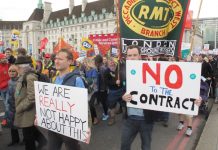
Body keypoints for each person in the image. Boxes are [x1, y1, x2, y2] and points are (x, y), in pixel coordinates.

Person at [47, 49, 91, 150]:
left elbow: (84, 105)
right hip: (55, 125)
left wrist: (87, 127)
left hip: (70, 127)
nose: (56, 61)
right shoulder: (53, 78)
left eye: (60, 59)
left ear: (70, 61)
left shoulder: (77, 79)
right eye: (56, 58)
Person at [121, 45, 157, 150]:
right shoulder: (124, 72)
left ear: (140, 56)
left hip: (146, 118)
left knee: (146, 146)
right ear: (126, 57)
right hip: (130, 118)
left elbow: (170, 92)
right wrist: (123, 97)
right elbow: (121, 92)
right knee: (124, 146)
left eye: (135, 55)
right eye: (129, 55)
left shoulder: (152, 70)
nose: (132, 58)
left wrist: (193, 101)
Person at [14, 56, 47, 150]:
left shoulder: (29, 77)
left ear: (21, 67)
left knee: (28, 137)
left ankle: (42, 143)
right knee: (31, 132)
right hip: (26, 111)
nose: (15, 68)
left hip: (28, 111)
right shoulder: (24, 75)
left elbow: (32, 97)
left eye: (16, 66)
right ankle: (44, 142)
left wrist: (20, 107)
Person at [2, 65, 20, 146]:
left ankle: (27, 140)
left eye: (14, 71)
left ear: (17, 72)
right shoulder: (9, 81)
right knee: (11, 124)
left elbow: (19, 95)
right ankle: (15, 140)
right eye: (10, 71)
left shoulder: (19, 82)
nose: (11, 73)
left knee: (23, 125)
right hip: (11, 106)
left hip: (18, 106)